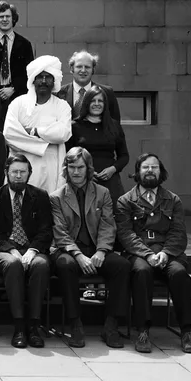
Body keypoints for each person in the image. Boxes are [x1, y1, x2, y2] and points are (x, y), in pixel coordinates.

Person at [115, 153, 191, 354]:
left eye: (154, 167)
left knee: (179, 274)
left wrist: (166, 253)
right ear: (137, 172)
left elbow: (178, 232)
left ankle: (187, 331)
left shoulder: (173, 200)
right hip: (139, 254)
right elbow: (125, 234)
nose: (150, 171)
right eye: (145, 167)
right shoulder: (125, 201)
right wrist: (147, 254)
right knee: (141, 273)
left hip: (167, 254)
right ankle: (142, 331)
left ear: (161, 172)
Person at [50, 147, 131, 349]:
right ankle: (75, 324)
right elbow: (60, 232)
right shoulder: (56, 197)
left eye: (80, 167)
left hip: (96, 249)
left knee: (121, 265)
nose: (76, 172)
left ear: (88, 169)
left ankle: (111, 325)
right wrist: (78, 255)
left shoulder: (103, 193)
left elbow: (107, 225)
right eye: (71, 167)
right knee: (65, 266)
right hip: (69, 250)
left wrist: (102, 251)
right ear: (65, 169)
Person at [0, 154, 52, 348]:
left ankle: (34, 326)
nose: (18, 176)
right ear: (6, 173)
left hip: (32, 248)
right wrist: (10, 249)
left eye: (23, 172)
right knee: (13, 265)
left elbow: (46, 229)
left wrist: (33, 250)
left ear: (30, 174)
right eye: (14, 172)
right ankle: (19, 327)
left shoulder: (40, 196)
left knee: (40, 265)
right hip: (3, 249)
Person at [3, 55, 72, 193]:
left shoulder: (62, 106)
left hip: (51, 168)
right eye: (40, 76)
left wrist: (34, 131)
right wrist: (47, 141)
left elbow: (63, 133)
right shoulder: (18, 103)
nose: (44, 81)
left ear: (54, 81)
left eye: (48, 77)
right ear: (33, 79)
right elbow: (10, 135)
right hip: (20, 169)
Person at [66, 85, 129, 209]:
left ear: (105, 104)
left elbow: (124, 156)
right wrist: (87, 172)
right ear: (86, 103)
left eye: (100, 101)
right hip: (83, 181)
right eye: (92, 101)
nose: (96, 104)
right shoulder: (74, 126)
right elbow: (66, 156)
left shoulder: (114, 125)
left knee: (115, 217)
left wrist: (113, 169)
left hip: (110, 181)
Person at [0, 1, 34, 118]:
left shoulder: (24, 44)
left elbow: (30, 72)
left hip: (18, 96)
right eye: (1, 17)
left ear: (13, 19)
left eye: (8, 16)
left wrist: (13, 88)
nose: (4, 19)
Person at [58, 50, 121, 121]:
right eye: (79, 66)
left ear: (93, 69)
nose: (83, 70)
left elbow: (115, 124)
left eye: (87, 67)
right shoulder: (58, 93)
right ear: (71, 69)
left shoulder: (106, 92)